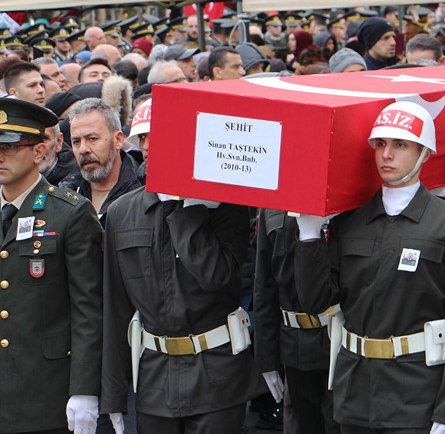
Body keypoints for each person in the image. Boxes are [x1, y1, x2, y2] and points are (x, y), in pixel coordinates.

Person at [293, 101, 445, 433]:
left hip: (417, 396)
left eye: (400, 145)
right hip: (355, 394)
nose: (387, 154)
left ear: (425, 152)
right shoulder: (351, 221)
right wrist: (309, 237)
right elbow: (315, 302)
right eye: (381, 144)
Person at [101, 102, 266, 433]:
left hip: (217, 375)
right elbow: (115, 309)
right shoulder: (121, 212)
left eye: (158, 135)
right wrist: (113, 395)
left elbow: (218, 276)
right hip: (154, 380)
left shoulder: (224, 204)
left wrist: (190, 210)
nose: (149, 145)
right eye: (144, 137)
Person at [0, 97, 104, 433]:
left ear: (39, 151)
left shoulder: (69, 213)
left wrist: (84, 390)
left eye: (10, 145)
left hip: (44, 393)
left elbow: (89, 310)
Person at [254, 208, 341, 434]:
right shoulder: (272, 207)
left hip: (342, 342)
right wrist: (267, 361)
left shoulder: (350, 200)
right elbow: (265, 285)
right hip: (295, 345)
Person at [59, 99, 141, 225]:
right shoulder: (64, 195)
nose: (83, 149)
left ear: (118, 140)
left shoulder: (144, 193)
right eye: (76, 142)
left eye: (92, 139)